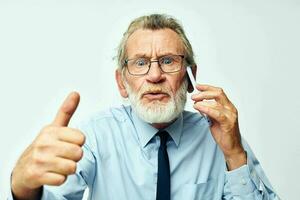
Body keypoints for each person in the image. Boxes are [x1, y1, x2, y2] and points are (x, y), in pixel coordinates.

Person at [9, 14, 280, 200]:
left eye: (168, 60)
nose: (154, 76)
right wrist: (23, 189)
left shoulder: (220, 137)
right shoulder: (95, 136)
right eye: (140, 63)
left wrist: (234, 154)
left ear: (189, 77)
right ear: (122, 83)